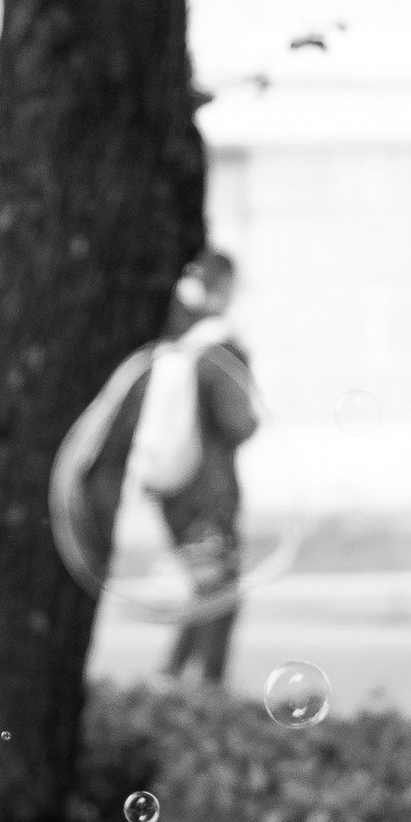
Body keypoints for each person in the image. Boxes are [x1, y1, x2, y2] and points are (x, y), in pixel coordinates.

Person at [130, 248, 262, 687]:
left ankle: (171, 677)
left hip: (171, 489)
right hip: (210, 492)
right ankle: (207, 689)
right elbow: (239, 424)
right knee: (220, 591)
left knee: (205, 583)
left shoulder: (174, 345)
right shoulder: (221, 351)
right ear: (223, 288)